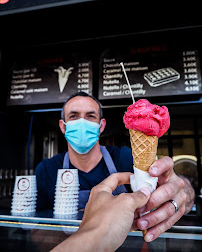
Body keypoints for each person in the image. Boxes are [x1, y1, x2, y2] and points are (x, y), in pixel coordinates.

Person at [35, 91, 195, 242]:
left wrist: (180, 193)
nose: (82, 122)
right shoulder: (46, 170)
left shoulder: (125, 158)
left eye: (90, 116)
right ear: (63, 126)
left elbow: (181, 190)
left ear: (101, 125)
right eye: (74, 116)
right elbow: (34, 230)